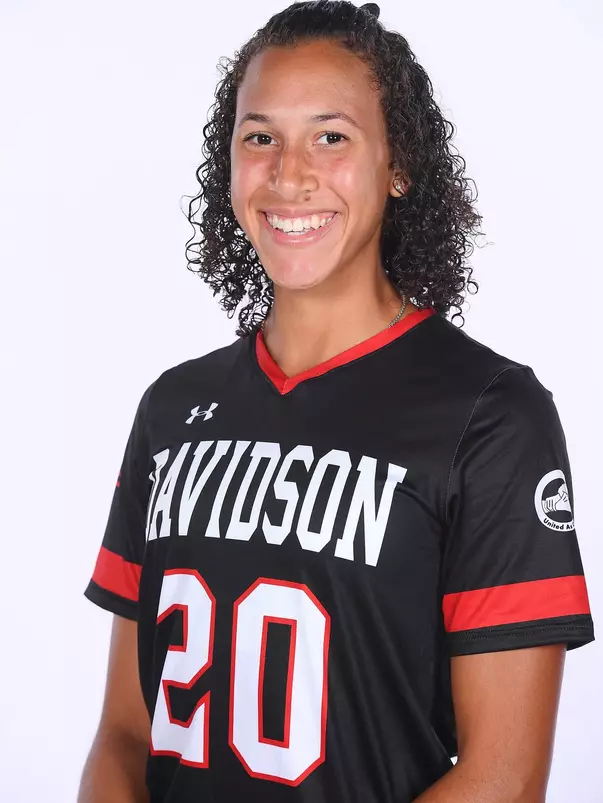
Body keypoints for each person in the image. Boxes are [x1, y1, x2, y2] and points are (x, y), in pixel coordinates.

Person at [78, 2, 595, 802]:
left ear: (397, 165)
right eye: (259, 138)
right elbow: (125, 733)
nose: (289, 175)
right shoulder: (172, 408)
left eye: (330, 137)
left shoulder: (489, 415)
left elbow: (503, 776)